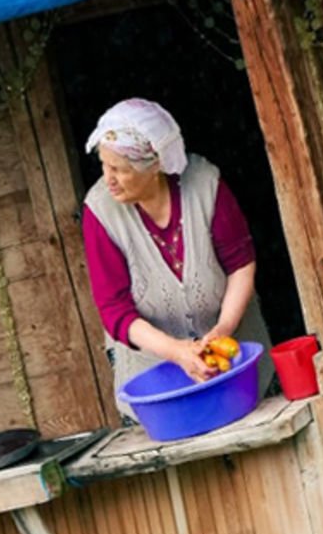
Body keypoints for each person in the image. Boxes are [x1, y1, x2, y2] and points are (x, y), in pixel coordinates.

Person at [82, 98, 273, 420]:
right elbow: (113, 308)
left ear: (154, 165)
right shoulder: (100, 211)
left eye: (119, 169)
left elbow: (240, 263)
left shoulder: (205, 185)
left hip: (234, 363)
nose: (107, 178)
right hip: (156, 384)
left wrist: (224, 328)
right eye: (104, 165)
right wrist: (176, 351)